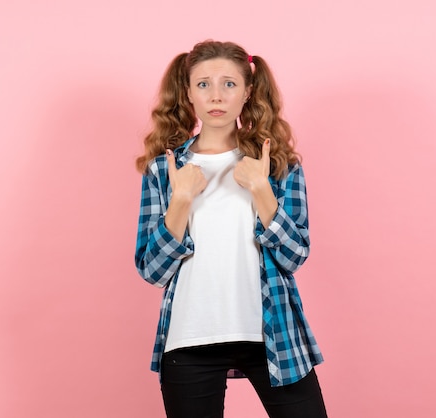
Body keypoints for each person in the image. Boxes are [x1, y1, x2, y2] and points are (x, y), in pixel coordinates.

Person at [134, 40, 327, 418]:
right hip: (190, 338)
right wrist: (181, 201)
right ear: (188, 92)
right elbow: (152, 271)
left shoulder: (277, 165)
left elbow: (295, 255)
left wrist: (260, 189)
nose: (216, 95)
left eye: (229, 84)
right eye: (203, 84)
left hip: (272, 333)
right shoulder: (164, 170)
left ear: (248, 92)